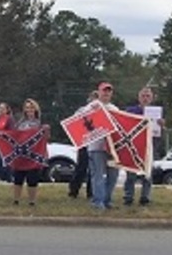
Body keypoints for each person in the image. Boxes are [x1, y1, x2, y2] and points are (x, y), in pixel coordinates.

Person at [122, 86, 160, 206]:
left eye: (148, 96)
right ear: (138, 97)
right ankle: (128, 197)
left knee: (147, 174)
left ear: (152, 98)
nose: (145, 98)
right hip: (133, 145)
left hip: (149, 146)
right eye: (143, 96)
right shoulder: (130, 111)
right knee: (131, 174)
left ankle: (145, 197)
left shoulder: (156, 113)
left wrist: (161, 125)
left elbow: (158, 134)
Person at [87, 82, 121, 210]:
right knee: (98, 175)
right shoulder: (91, 106)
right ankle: (98, 201)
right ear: (99, 92)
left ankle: (107, 200)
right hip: (97, 147)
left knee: (113, 175)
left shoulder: (115, 109)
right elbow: (81, 121)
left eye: (109, 91)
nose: (106, 93)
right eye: (104, 91)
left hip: (113, 148)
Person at [10, 99, 48, 206]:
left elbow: (45, 138)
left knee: (32, 179)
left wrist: (46, 130)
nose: (29, 110)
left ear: (36, 109)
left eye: (31, 108)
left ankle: (32, 201)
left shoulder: (40, 122)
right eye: (27, 108)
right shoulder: (20, 122)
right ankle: (16, 200)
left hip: (34, 155)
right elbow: (14, 136)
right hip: (21, 154)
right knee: (18, 178)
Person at [67, 90, 98, 200]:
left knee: (94, 170)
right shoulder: (82, 110)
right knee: (81, 168)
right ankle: (73, 191)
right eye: (93, 98)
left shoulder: (103, 111)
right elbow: (74, 123)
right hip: (84, 143)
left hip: (97, 144)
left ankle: (91, 193)